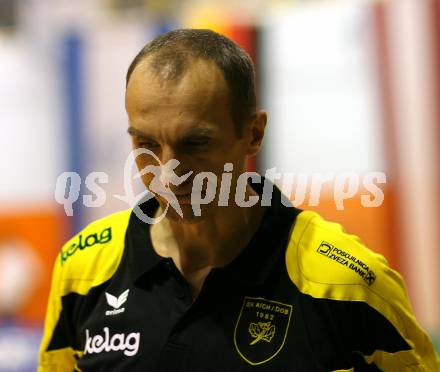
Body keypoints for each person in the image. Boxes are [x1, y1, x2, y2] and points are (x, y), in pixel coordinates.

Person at [38, 29, 439, 371]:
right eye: (145, 143)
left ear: (253, 134)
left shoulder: (344, 284)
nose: (167, 171)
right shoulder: (83, 269)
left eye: (195, 143)